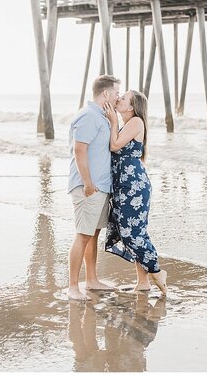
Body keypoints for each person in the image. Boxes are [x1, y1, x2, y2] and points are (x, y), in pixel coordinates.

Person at [103, 90, 167, 295]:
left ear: (131, 107)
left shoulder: (136, 122)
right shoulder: (127, 124)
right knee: (133, 232)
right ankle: (143, 283)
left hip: (134, 187)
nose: (119, 99)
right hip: (123, 186)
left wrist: (112, 120)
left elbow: (114, 146)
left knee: (133, 234)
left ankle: (156, 271)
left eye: (123, 98)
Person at [67, 74, 121, 300]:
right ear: (106, 94)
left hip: (100, 186)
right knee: (82, 235)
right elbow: (79, 150)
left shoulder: (102, 116)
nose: (119, 98)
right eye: (117, 93)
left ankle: (91, 280)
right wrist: (88, 183)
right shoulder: (88, 116)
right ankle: (72, 287)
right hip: (88, 187)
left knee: (93, 234)